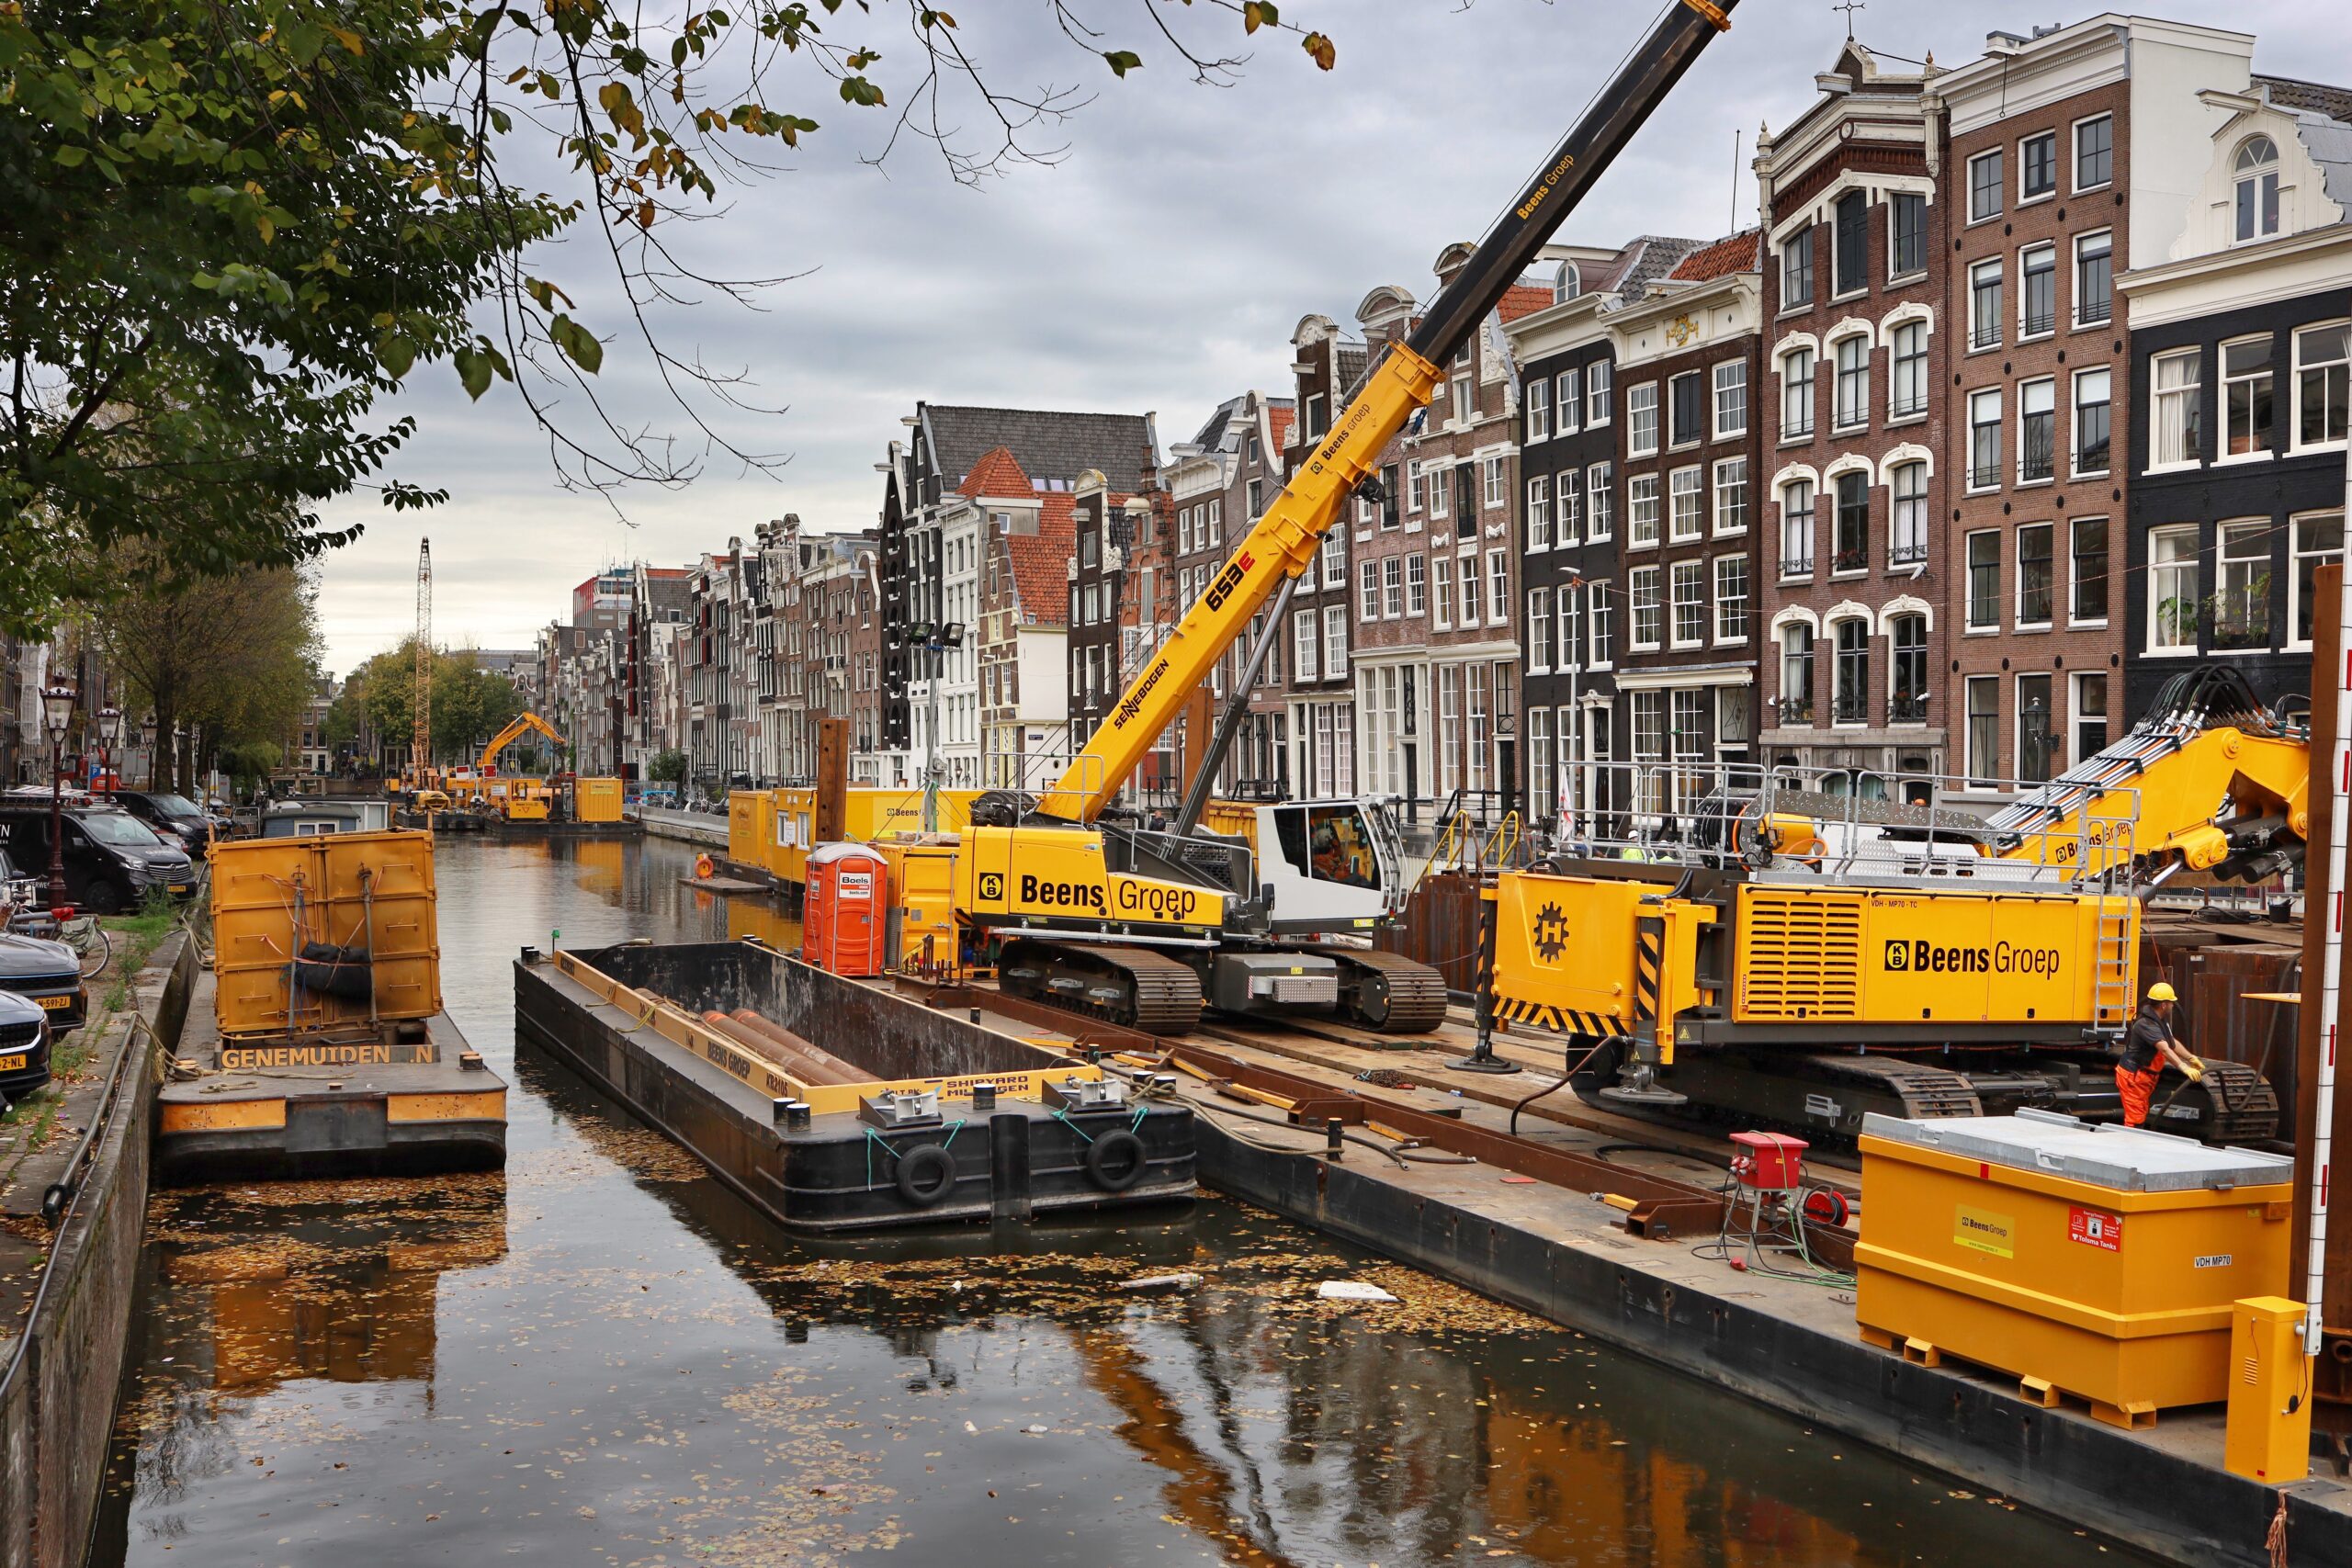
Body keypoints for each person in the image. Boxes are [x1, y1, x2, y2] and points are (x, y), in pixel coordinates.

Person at [2117, 981, 2204, 1129]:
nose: (2172, 1006)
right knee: (2135, 1119)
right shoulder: (2146, 1024)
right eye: (2171, 1003)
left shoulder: (2160, 1022)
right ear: (2164, 1005)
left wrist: (2190, 1058)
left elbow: (2172, 1043)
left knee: (2140, 1114)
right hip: (2133, 1077)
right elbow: (2164, 1049)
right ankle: (2130, 1145)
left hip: (2143, 1077)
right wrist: (2184, 1067)